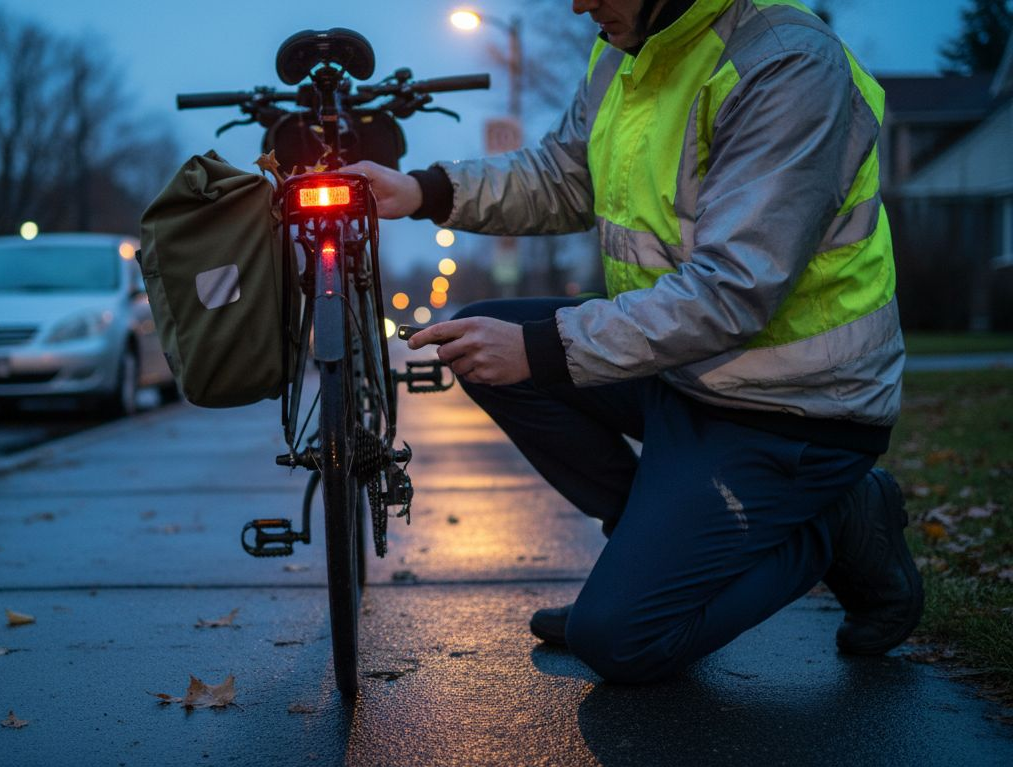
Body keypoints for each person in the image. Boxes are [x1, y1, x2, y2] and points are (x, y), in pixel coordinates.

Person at [343, 0, 923, 683]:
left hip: (794, 406)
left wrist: (540, 348)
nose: (579, 4)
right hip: (686, 369)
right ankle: (650, 552)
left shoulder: (786, 64)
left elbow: (735, 289)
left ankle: (840, 521)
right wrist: (421, 190)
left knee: (620, 640)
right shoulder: (628, 44)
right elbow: (566, 175)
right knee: (482, 334)